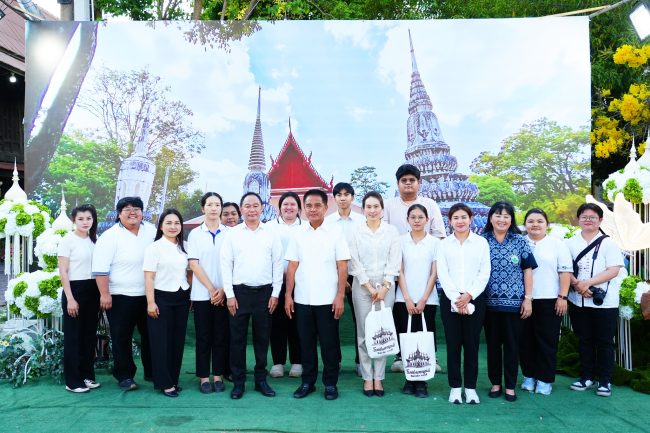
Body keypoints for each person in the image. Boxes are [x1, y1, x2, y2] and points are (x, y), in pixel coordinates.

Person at [285, 189, 350, 400]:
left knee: (329, 344)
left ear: (325, 207)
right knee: (306, 344)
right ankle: (308, 382)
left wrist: (340, 296)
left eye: (317, 205)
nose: (312, 209)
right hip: (302, 299)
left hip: (328, 300)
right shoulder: (298, 233)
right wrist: (288, 295)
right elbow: (292, 266)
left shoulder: (335, 233)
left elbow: (342, 266)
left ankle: (330, 384)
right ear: (304, 208)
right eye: (309, 206)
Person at [221, 192, 283, 399]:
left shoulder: (271, 233)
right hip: (239, 293)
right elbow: (226, 264)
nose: (252, 210)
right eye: (247, 206)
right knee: (237, 340)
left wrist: (275, 293)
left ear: (261, 208)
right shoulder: (232, 234)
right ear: (241, 209)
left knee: (262, 339)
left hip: (265, 294)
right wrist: (230, 295)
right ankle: (238, 382)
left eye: (255, 205)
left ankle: (260, 380)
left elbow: (277, 264)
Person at [383, 164, 445, 373]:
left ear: (419, 183)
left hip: (426, 265)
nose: (408, 184)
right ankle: (401, 356)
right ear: (398, 183)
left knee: (427, 319)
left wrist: (426, 251)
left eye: (412, 180)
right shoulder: (389, 205)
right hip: (397, 265)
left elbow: (439, 235)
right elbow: (385, 233)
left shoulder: (430, 204)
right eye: (404, 180)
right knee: (402, 316)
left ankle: (430, 356)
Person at [92, 197, 155, 391]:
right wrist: (105, 295)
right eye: (127, 209)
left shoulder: (152, 231)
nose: (132, 212)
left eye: (136, 208)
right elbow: (100, 270)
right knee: (121, 337)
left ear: (142, 212)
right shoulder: (109, 236)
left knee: (151, 335)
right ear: (119, 214)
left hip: (149, 295)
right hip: (120, 296)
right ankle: (125, 376)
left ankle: (153, 372)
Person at [482, 201, 537, 402]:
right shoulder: (482, 240)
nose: (502, 219)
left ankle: (511, 386)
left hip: (515, 305)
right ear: (490, 218)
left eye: (506, 216)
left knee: (512, 347)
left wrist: (528, 299)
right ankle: (495, 383)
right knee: (493, 346)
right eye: (498, 215)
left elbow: (527, 270)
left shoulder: (519, 241)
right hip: (488, 304)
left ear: (511, 219)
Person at [567, 203, 623, 397]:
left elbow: (613, 270)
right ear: (578, 219)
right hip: (578, 300)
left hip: (604, 302)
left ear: (600, 220)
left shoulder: (609, 243)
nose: (588, 220)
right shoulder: (570, 243)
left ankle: (605, 381)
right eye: (584, 216)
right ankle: (586, 377)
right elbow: (565, 268)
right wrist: (577, 285)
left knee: (605, 341)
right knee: (584, 340)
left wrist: (588, 283)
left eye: (592, 217)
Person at [437, 203, 491, 404]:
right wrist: (456, 298)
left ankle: (470, 388)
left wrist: (469, 295)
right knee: (453, 345)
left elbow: (484, 272)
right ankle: (454, 388)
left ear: (471, 219)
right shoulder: (444, 244)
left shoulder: (481, 243)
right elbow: (442, 273)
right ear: (450, 221)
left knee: (471, 345)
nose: (460, 221)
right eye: (456, 218)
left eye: (463, 217)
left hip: (475, 298)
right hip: (450, 299)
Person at [349, 191, 401, 397]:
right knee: (363, 333)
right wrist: (369, 288)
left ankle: (378, 378)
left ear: (382, 209)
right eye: (368, 207)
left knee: (382, 332)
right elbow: (354, 261)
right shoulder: (356, 231)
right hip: (362, 287)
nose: (372, 210)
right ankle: (366, 377)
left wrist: (385, 287)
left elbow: (394, 260)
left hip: (386, 287)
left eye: (376, 206)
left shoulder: (391, 231)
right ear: (363, 210)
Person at [519, 208, 573, 395]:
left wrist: (562, 297)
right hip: (523, 300)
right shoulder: (519, 243)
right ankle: (528, 376)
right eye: (531, 221)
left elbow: (565, 272)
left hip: (549, 299)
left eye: (540, 221)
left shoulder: (557, 244)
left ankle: (544, 380)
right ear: (525, 224)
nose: (535, 225)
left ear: (547, 224)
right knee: (525, 341)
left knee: (547, 341)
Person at [143, 209, 191, 398]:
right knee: (161, 342)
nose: (173, 227)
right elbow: (149, 277)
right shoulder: (154, 248)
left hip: (182, 297)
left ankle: (173, 379)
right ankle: (164, 383)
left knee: (177, 341)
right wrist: (150, 302)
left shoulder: (185, 247)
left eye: (177, 223)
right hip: (160, 298)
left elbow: (189, 272)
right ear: (161, 226)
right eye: (168, 223)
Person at [395, 204, 440, 399]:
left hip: (427, 300)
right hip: (403, 299)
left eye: (420, 217)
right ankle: (409, 379)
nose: (416, 220)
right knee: (407, 339)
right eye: (412, 217)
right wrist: (407, 298)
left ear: (427, 220)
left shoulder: (435, 243)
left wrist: (423, 299)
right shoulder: (400, 241)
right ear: (407, 220)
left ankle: (422, 382)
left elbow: (434, 273)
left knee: (424, 340)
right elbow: (399, 271)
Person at [187, 192, 230, 394]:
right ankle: (204, 377)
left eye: (217, 204)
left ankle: (218, 375)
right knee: (203, 337)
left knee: (220, 336)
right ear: (203, 208)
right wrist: (212, 289)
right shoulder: (195, 234)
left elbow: (234, 263)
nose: (214, 208)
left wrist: (223, 290)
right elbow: (194, 264)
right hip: (202, 294)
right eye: (210, 204)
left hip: (225, 293)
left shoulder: (230, 233)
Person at [59, 204, 100, 393]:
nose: (85, 222)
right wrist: (70, 298)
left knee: (89, 336)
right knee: (74, 337)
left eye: (88, 218)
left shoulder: (95, 240)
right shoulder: (68, 240)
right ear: (74, 220)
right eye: (81, 219)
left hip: (93, 290)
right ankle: (73, 381)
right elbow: (63, 271)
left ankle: (86, 376)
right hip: (74, 290)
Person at [325, 182, 364, 375]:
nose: (343, 198)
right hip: (334, 275)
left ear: (352, 197)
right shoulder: (327, 222)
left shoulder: (362, 221)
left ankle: (361, 361)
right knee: (331, 320)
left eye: (346, 194)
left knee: (360, 320)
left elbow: (364, 250)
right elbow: (326, 251)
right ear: (334, 198)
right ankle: (335, 361)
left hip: (359, 276)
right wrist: (341, 279)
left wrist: (353, 277)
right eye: (339, 194)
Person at [267, 191, 303, 379]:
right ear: (279, 208)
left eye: (293, 204)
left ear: (299, 208)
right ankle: (278, 362)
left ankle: (297, 361)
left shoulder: (306, 227)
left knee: (297, 322)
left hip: (301, 282)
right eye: (285, 204)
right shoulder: (269, 228)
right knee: (277, 323)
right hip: (276, 282)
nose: (289, 207)